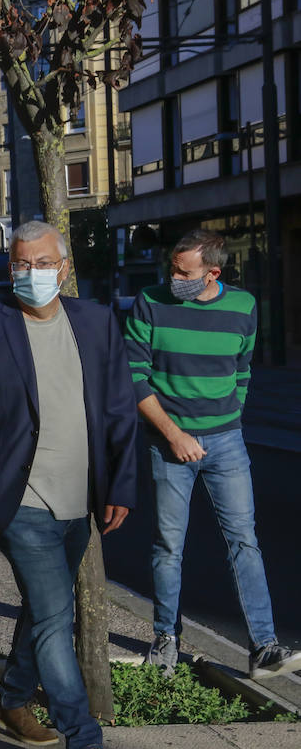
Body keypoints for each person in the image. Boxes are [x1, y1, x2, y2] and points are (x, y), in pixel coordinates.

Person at [0, 220, 137, 749]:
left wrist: (120, 486)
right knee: (57, 616)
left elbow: (120, 412)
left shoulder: (97, 323)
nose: (32, 274)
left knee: (42, 608)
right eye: (21, 264)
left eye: (42, 263)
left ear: (64, 267)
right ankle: (87, 743)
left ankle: (11, 700)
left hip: (81, 497)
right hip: (18, 498)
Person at [126, 228, 301, 680]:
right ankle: (165, 638)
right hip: (169, 443)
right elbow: (134, 377)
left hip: (227, 442)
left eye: (184, 272)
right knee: (169, 545)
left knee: (245, 541)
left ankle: (263, 647)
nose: (174, 277)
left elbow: (243, 368)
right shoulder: (150, 301)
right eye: (172, 268)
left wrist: (231, 417)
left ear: (213, 273)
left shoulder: (243, 306)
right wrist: (174, 434)